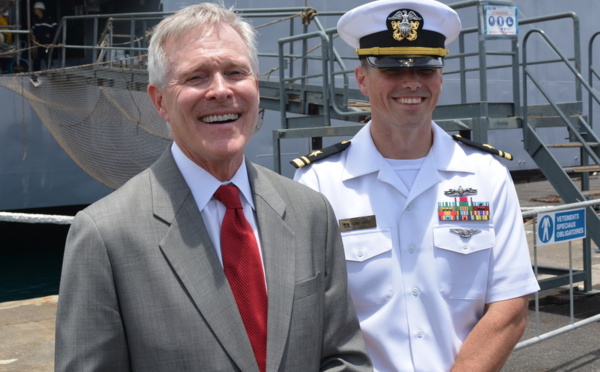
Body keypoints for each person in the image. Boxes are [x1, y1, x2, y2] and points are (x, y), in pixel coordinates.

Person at [55, 3, 372, 372]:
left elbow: (341, 357)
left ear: (255, 84)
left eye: (236, 72)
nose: (221, 91)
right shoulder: (105, 236)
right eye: (196, 77)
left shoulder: (310, 212)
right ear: (160, 101)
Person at [293, 0, 540, 371]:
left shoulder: (486, 175)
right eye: (391, 69)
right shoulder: (318, 183)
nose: (412, 82)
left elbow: (510, 306)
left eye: (426, 68)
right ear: (362, 79)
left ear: (440, 78)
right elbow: (307, 317)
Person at [31, 1, 56, 71]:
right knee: (36, 61)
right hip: (37, 44)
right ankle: (35, 75)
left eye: (35, 9)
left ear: (40, 9)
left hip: (47, 44)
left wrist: (50, 37)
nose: (34, 11)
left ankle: (52, 74)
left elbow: (55, 31)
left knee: (48, 59)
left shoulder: (49, 20)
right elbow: (33, 32)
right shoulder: (35, 21)